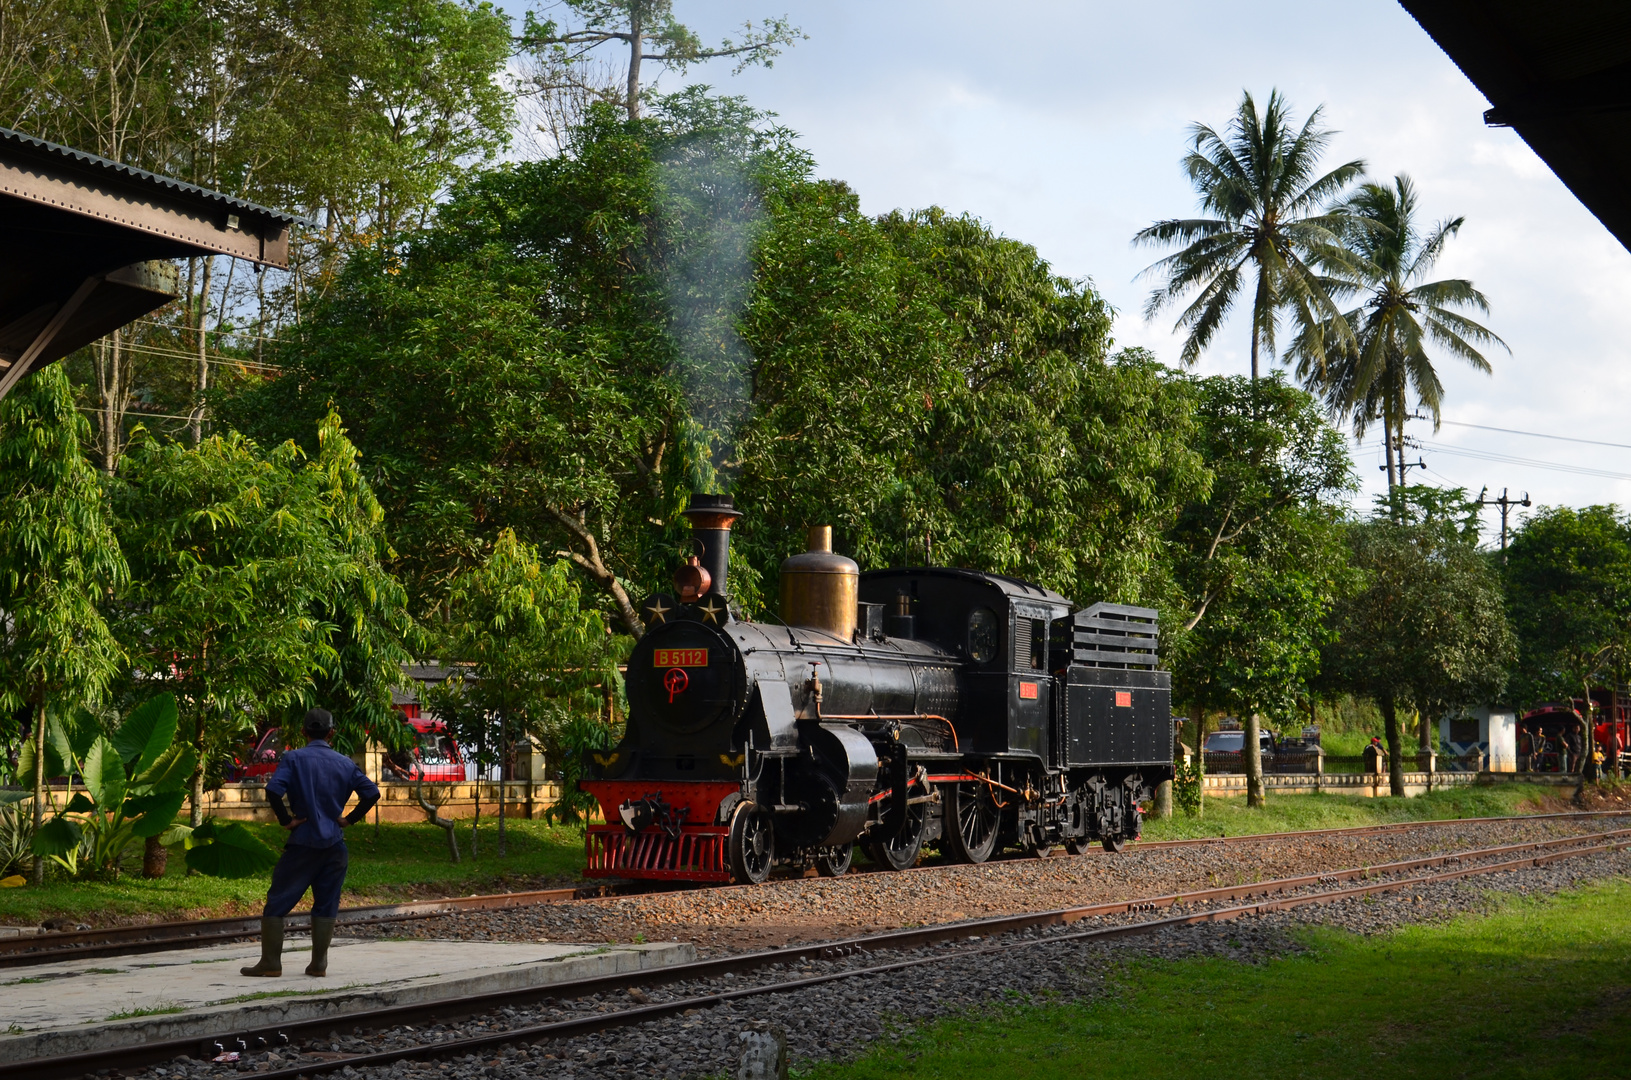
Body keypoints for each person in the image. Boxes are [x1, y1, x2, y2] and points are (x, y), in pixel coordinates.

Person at [241, 708, 379, 978]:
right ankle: (319, 965)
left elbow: (273, 790)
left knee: (278, 902)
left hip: (302, 843)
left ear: (303, 732)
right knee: (326, 903)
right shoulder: (345, 763)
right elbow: (372, 793)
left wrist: (286, 820)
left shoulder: (293, 758)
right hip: (335, 846)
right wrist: (349, 820)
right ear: (332, 733)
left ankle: (271, 963)